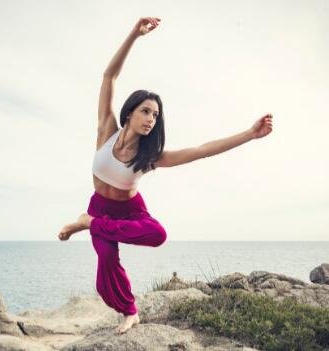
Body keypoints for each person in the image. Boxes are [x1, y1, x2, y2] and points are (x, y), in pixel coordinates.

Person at [57, 17, 273, 334]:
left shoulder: (151, 157)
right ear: (130, 112)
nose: (150, 119)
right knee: (105, 267)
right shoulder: (106, 130)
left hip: (129, 212)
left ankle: (86, 224)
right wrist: (134, 34)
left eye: (155, 115)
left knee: (158, 235)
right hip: (100, 208)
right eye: (145, 111)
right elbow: (109, 76)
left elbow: (202, 150)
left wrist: (249, 134)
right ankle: (130, 310)